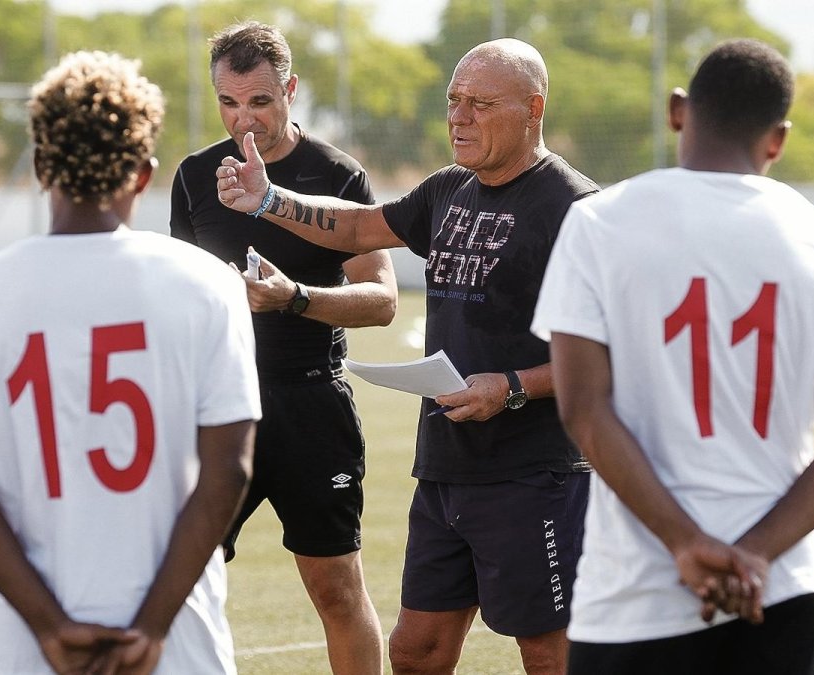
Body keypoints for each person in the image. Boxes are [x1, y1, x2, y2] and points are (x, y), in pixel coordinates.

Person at [216, 37, 598, 675]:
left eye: (480, 104)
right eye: (454, 101)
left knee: (548, 652)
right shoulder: (449, 188)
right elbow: (365, 226)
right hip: (446, 466)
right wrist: (269, 201)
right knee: (415, 652)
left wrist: (512, 386)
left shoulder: (575, 208)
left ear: (533, 108)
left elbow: (607, 355)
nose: (459, 117)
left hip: (534, 474)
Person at [532, 38, 814, 674]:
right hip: (779, 587)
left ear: (678, 110)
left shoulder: (598, 223)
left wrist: (686, 543)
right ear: (777, 139)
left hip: (635, 594)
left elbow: (583, 409)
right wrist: (754, 555)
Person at [0, 50, 260, 675]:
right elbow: (227, 472)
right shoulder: (209, 283)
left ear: (41, 166)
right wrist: (151, 629)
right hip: (178, 639)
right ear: (143, 173)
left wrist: (51, 629)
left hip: (30, 644)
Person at [169, 21, 395, 675]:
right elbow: (183, 300)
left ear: (290, 90)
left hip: (310, 405)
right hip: (219, 408)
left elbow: (381, 300)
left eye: (261, 101)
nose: (245, 120)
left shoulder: (336, 173)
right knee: (179, 584)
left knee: (335, 588)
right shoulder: (193, 176)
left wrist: (294, 296)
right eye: (229, 102)